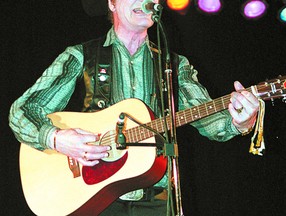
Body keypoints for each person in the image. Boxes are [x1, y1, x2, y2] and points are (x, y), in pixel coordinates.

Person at [9, 0, 259, 215]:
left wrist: (240, 121)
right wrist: (56, 138)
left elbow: (211, 121)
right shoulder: (80, 56)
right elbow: (22, 110)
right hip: (95, 199)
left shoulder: (173, 64)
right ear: (112, 3)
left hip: (157, 198)